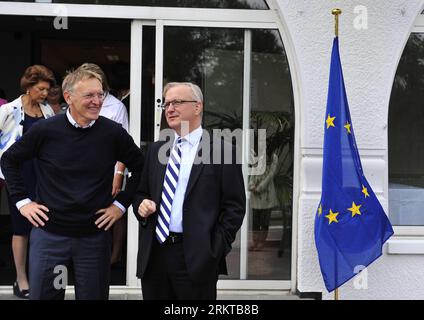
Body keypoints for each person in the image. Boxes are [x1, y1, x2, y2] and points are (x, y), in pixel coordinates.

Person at [1, 66, 144, 300]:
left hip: (94, 239)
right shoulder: (45, 130)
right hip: (49, 237)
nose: (97, 101)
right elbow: (9, 160)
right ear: (69, 97)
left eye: (100, 94)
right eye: (89, 95)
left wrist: (120, 206)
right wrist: (22, 201)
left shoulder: (112, 132)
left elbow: (140, 166)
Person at [132, 82, 246, 300]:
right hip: (154, 255)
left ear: (198, 107)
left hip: (196, 257)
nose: (170, 109)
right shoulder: (157, 149)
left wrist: (215, 248)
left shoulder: (223, 151)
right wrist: (142, 205)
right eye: (166, 104)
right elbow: (141, 193)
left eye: (177, 102)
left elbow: (235, 206)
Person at [0, 65, 56, 299]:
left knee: (42, 225)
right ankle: (21, 279)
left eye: (47, 89)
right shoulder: (8, 110)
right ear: (29, 86)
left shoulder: (48, 112)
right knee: (21, 227)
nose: (45, 94)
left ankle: (39, 277)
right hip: (18, 174)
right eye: (41, 89)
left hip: (43, 176)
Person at [77, 63, 129, 266]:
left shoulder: (116, 107)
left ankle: (114, 255)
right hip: (81, 171)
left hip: (108, 170)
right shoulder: (77, 104)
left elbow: (124, 146)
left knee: (113, 211)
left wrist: (118, 174)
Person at [248, 152, 279, 251]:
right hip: (256, 196)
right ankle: (255, 241)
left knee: (264, 221)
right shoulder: (256, 155)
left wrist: (260, 187)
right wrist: (251, 185)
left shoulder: (273, 157)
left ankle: (262, 242)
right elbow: (253, 171)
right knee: (255, 221)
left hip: (266, 196)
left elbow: (271, 174)